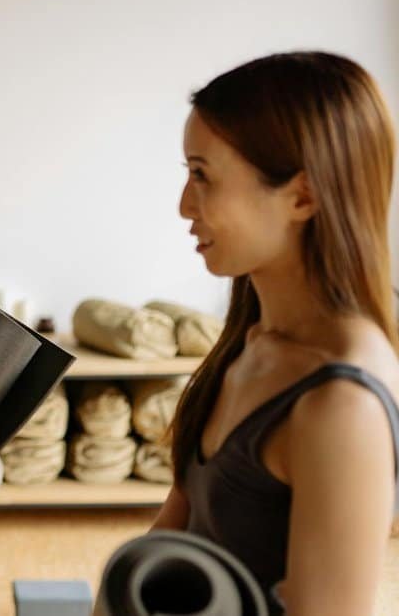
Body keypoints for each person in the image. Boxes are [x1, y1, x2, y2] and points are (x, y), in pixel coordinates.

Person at [153, 51, 399, 615]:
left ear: (303, 197)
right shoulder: (250, 341)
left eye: (202, 175)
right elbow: (174, 534)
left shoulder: (342, 404)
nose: (184, 205)